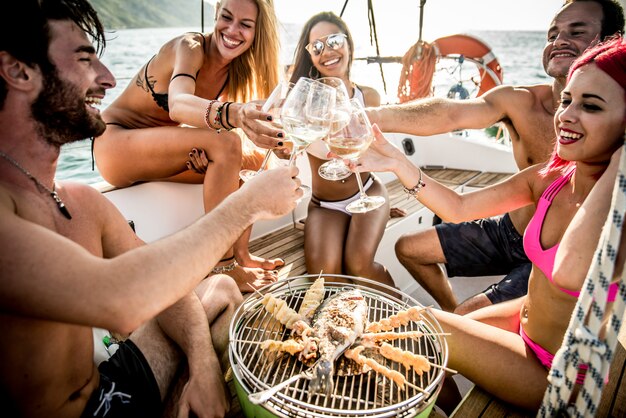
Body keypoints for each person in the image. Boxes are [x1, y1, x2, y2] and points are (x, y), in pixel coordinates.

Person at [0, 1, 302, 417]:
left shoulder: (83, 202)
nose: (108, 78)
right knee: (229, 151)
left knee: (224, 292)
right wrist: (246, 205)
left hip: (106, 389)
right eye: (86, 58)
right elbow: (118, 301)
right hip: (124, 147)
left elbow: (169, 296)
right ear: (17, 72)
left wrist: (203, 364)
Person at [350, 36, 626, 412]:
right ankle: (449, 407)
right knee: (417, 335)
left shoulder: (619, 211)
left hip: (559, 375)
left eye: (590, 105)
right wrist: (398, 162)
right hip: (522, 318)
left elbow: (568, 271)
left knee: (419, 328)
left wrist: (620, 164)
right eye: (566, 100)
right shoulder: (548, 180)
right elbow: (459, 207)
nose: (566, 115)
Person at [366, 0, 624, 313]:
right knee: (408, 248)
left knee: (462, 324)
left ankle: (466, 322)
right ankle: (458, 315)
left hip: (557, 258)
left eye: (577, 32)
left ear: (613, 41)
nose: (559, 41)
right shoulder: (520, 103)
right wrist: (370, 116)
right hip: (509, 231)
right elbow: (449, 115)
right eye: (552, 34)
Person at [93, 0, 286, 291]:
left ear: (258, 32)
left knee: (255, 162)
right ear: (216, 14)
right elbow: (179, 105)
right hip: (115, 142)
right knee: (228, 144)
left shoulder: (235, 70)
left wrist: (279, 141)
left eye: (245, 25)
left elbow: (200, 123)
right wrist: (234, 113)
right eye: (226, 17)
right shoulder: (190, 47)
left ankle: (241, 255)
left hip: (155, 150)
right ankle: (222, 266)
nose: (232, 30)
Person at [286, 11, 400, 290]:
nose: (327, 51)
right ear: (310, 55)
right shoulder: (303, 100)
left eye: (334, 40)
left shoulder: (368, 97)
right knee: (326, 279)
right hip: (325, 207)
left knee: (359, 265)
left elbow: (378, 149)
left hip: (368, 194)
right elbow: (286, 147)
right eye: (317, 46)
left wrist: (383, 208)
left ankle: (404, 319)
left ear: (348, 43)